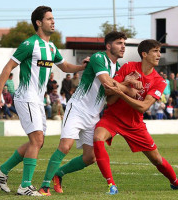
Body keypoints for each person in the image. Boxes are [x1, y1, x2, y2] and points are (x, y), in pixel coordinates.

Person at [0, 6, 89, 196]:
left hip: (36, 101)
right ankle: (25, 186)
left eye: (53, 18)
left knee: (38, 142)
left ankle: (2, 170)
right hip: (26, 97)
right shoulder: (29, 44)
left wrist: (81, 66)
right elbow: (8, 66)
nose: (53, 22)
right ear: (38, 22)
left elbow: (65, 66)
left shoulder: (51, 47)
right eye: (49, 19)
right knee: (37, 139)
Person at [93, 39, 178, 195]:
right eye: (155, 51)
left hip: (135, 124)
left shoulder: (160, 81)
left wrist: (122, 91)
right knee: (97, 137)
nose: (159, 55)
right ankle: (111, 185)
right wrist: (128, 85)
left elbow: (143, 107)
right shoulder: (128, 67)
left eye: (159, 52)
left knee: (156, 159)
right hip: (113, 117)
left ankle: (176, 183)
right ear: (144, 54)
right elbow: (109, 94)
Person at [38, 31, 134, 196]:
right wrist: (128, 85)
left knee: (90, 157)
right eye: (119, 43)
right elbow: (107, 84)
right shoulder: (98, 58)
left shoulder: (117, 67)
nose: (123, 47)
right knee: (65, 146)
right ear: (109, 46)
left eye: (124, 44)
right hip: (77, 109)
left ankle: (58, 174)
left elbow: (111, 93)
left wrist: (125, 86)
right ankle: (44, 186)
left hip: (94, 115)